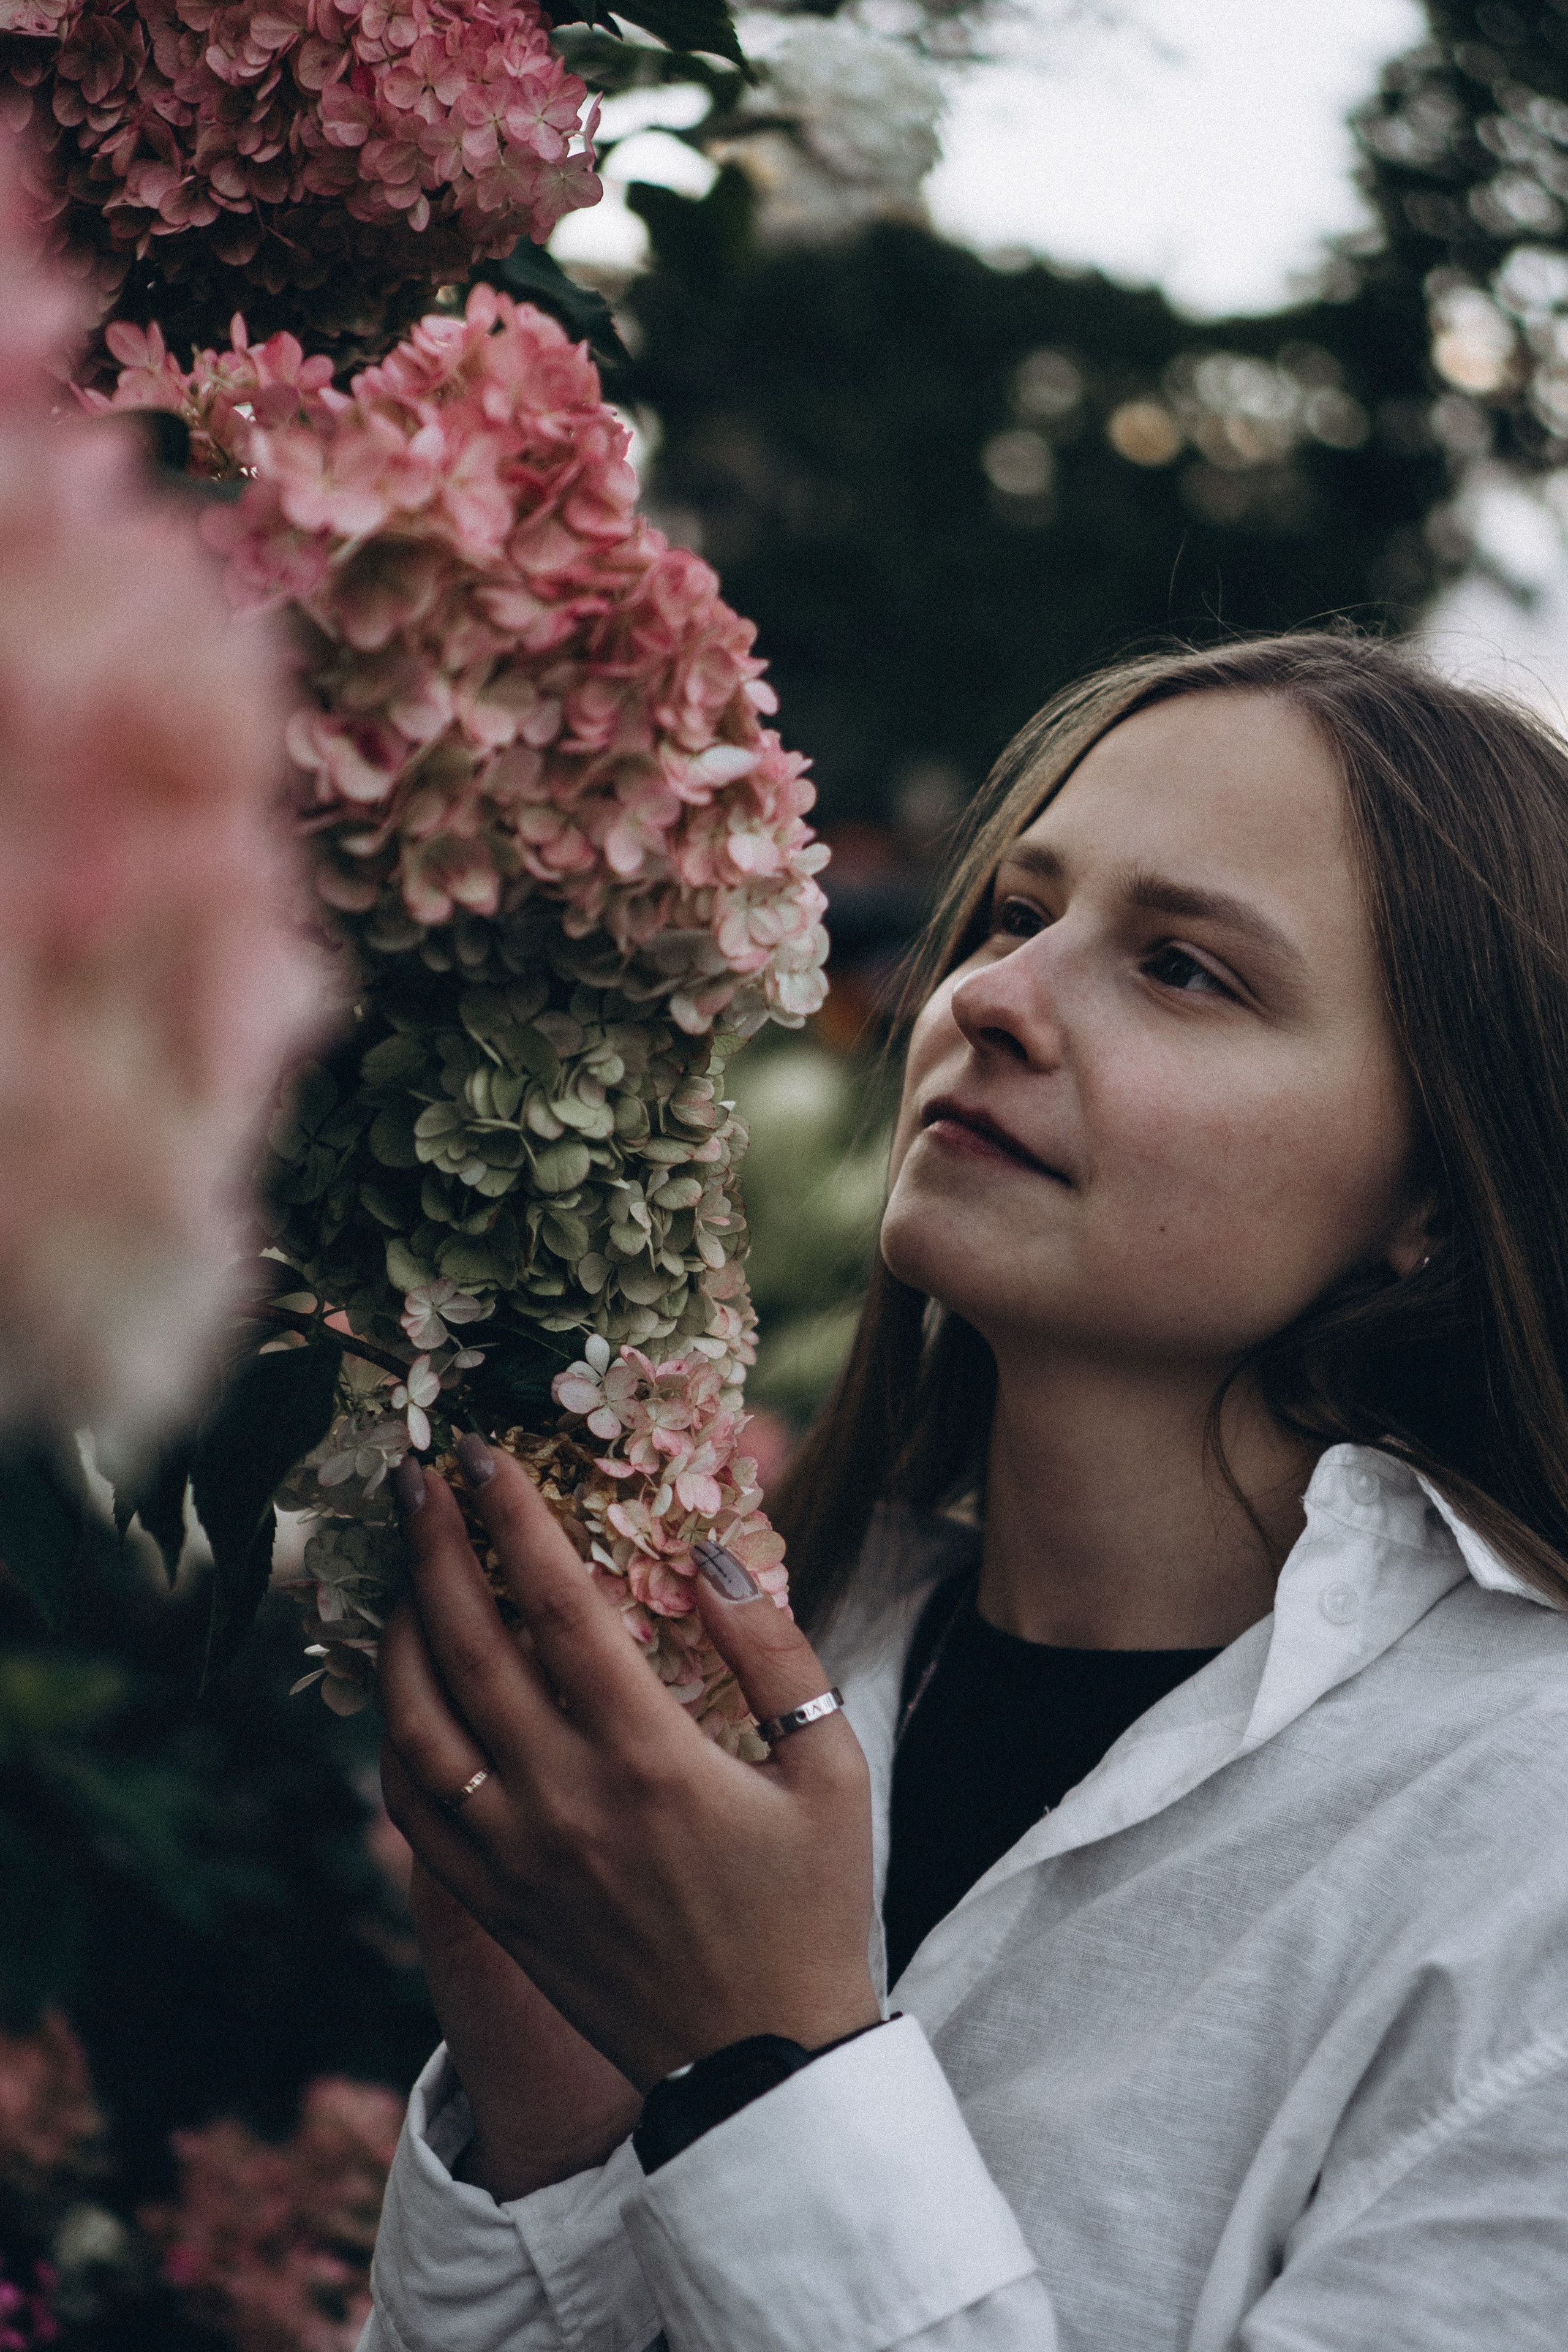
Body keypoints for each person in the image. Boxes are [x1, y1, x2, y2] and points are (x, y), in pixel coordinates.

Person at [364, 633, 1568, 2352]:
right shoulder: (781, 1656)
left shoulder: (1527, 1853)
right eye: (1016, 914)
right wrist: (550, 2120)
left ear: (1435, 1196)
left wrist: (773, 2059)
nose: (989, 999)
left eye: (1182, 969)